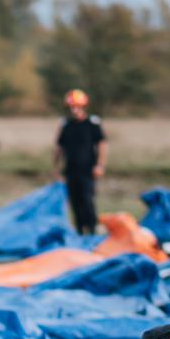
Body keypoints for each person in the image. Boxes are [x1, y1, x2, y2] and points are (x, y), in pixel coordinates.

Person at [53, 89, 107, 236]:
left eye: (77, 107)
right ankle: (79, 231)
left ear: (83, 107)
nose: (74, 110)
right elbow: (59, 147)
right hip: (70, 170)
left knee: (87, 201)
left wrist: (100, 165)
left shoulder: (92, 123)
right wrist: (56, 168)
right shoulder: (66, 125)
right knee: (75, 202)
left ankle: (92, 230)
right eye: (71, 107)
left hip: (88, 170)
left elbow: (101, 145)